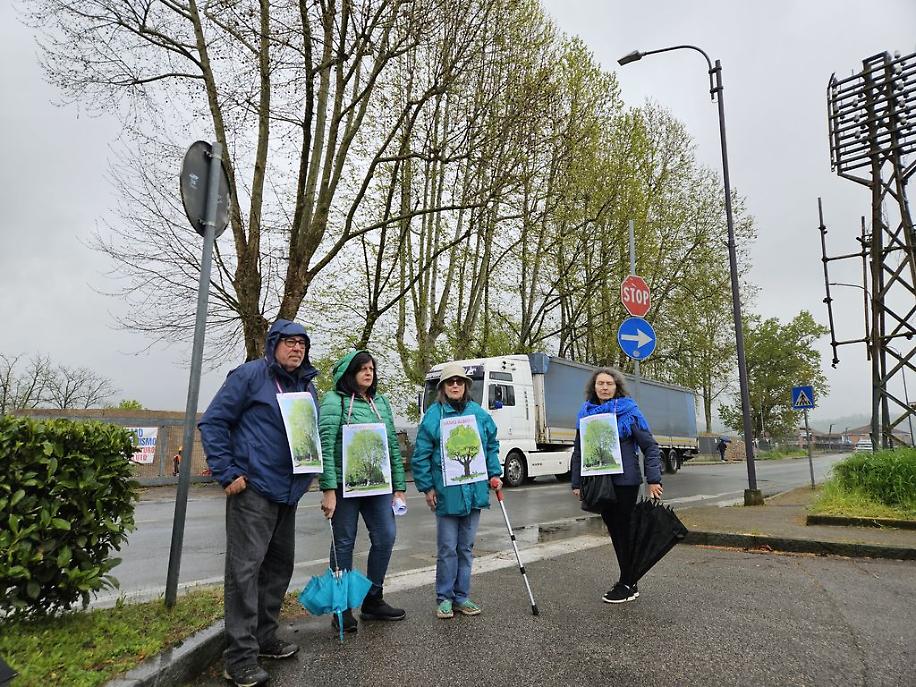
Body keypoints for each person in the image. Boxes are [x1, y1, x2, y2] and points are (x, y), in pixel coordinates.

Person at [199, 319, 319, 687]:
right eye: (289, 342)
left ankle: (264, 638)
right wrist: (226, 472)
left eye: (302, 344)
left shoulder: (307, 386)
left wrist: (310, 474)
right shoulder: (250, 376)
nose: (296, 349)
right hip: (253, 490)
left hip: (289, 493)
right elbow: (213, 422)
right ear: (273, 344)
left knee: (279, 569)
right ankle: (239, 658)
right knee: (245, 573)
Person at [317, 350, 407, 633]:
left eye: (371, 369)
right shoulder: (333, 401)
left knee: (386, 536)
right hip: (344, 487)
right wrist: (328, 488)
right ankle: (341, 609)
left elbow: (392, 446)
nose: (369, 373)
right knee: (343, 543)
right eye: (362, 368)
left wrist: (399, 487)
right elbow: (325, 446)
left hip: (378, 485)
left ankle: (373, 599)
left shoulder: (380, 402)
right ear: (349, 372)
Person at [411, 362, 502, 619]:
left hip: (474, 492)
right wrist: (427, 487)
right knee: (447, 548)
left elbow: (491, 446)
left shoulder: (479, 414)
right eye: (450, 382)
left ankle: (462, 596)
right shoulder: (434, 415)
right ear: (442, 387)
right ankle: (444, 598)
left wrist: (494, 473)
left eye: (459, 382)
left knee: (466, 548)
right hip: (446, 493)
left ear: (465, 386)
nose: (454, 385)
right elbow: (421, 454)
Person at [571, 367, 663, 604]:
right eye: (600, 383)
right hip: (598, 483)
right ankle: (628, 581)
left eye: (609, 384)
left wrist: (653, 479)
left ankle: (627, 583)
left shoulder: (629, 412)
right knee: (616, 532)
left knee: (624, 531)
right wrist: (576, 482)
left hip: (625, 483)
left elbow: (650, 447)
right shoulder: (585, 414)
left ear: (617, 387)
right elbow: (579, 451)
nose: (604, 387)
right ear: (594, 387)